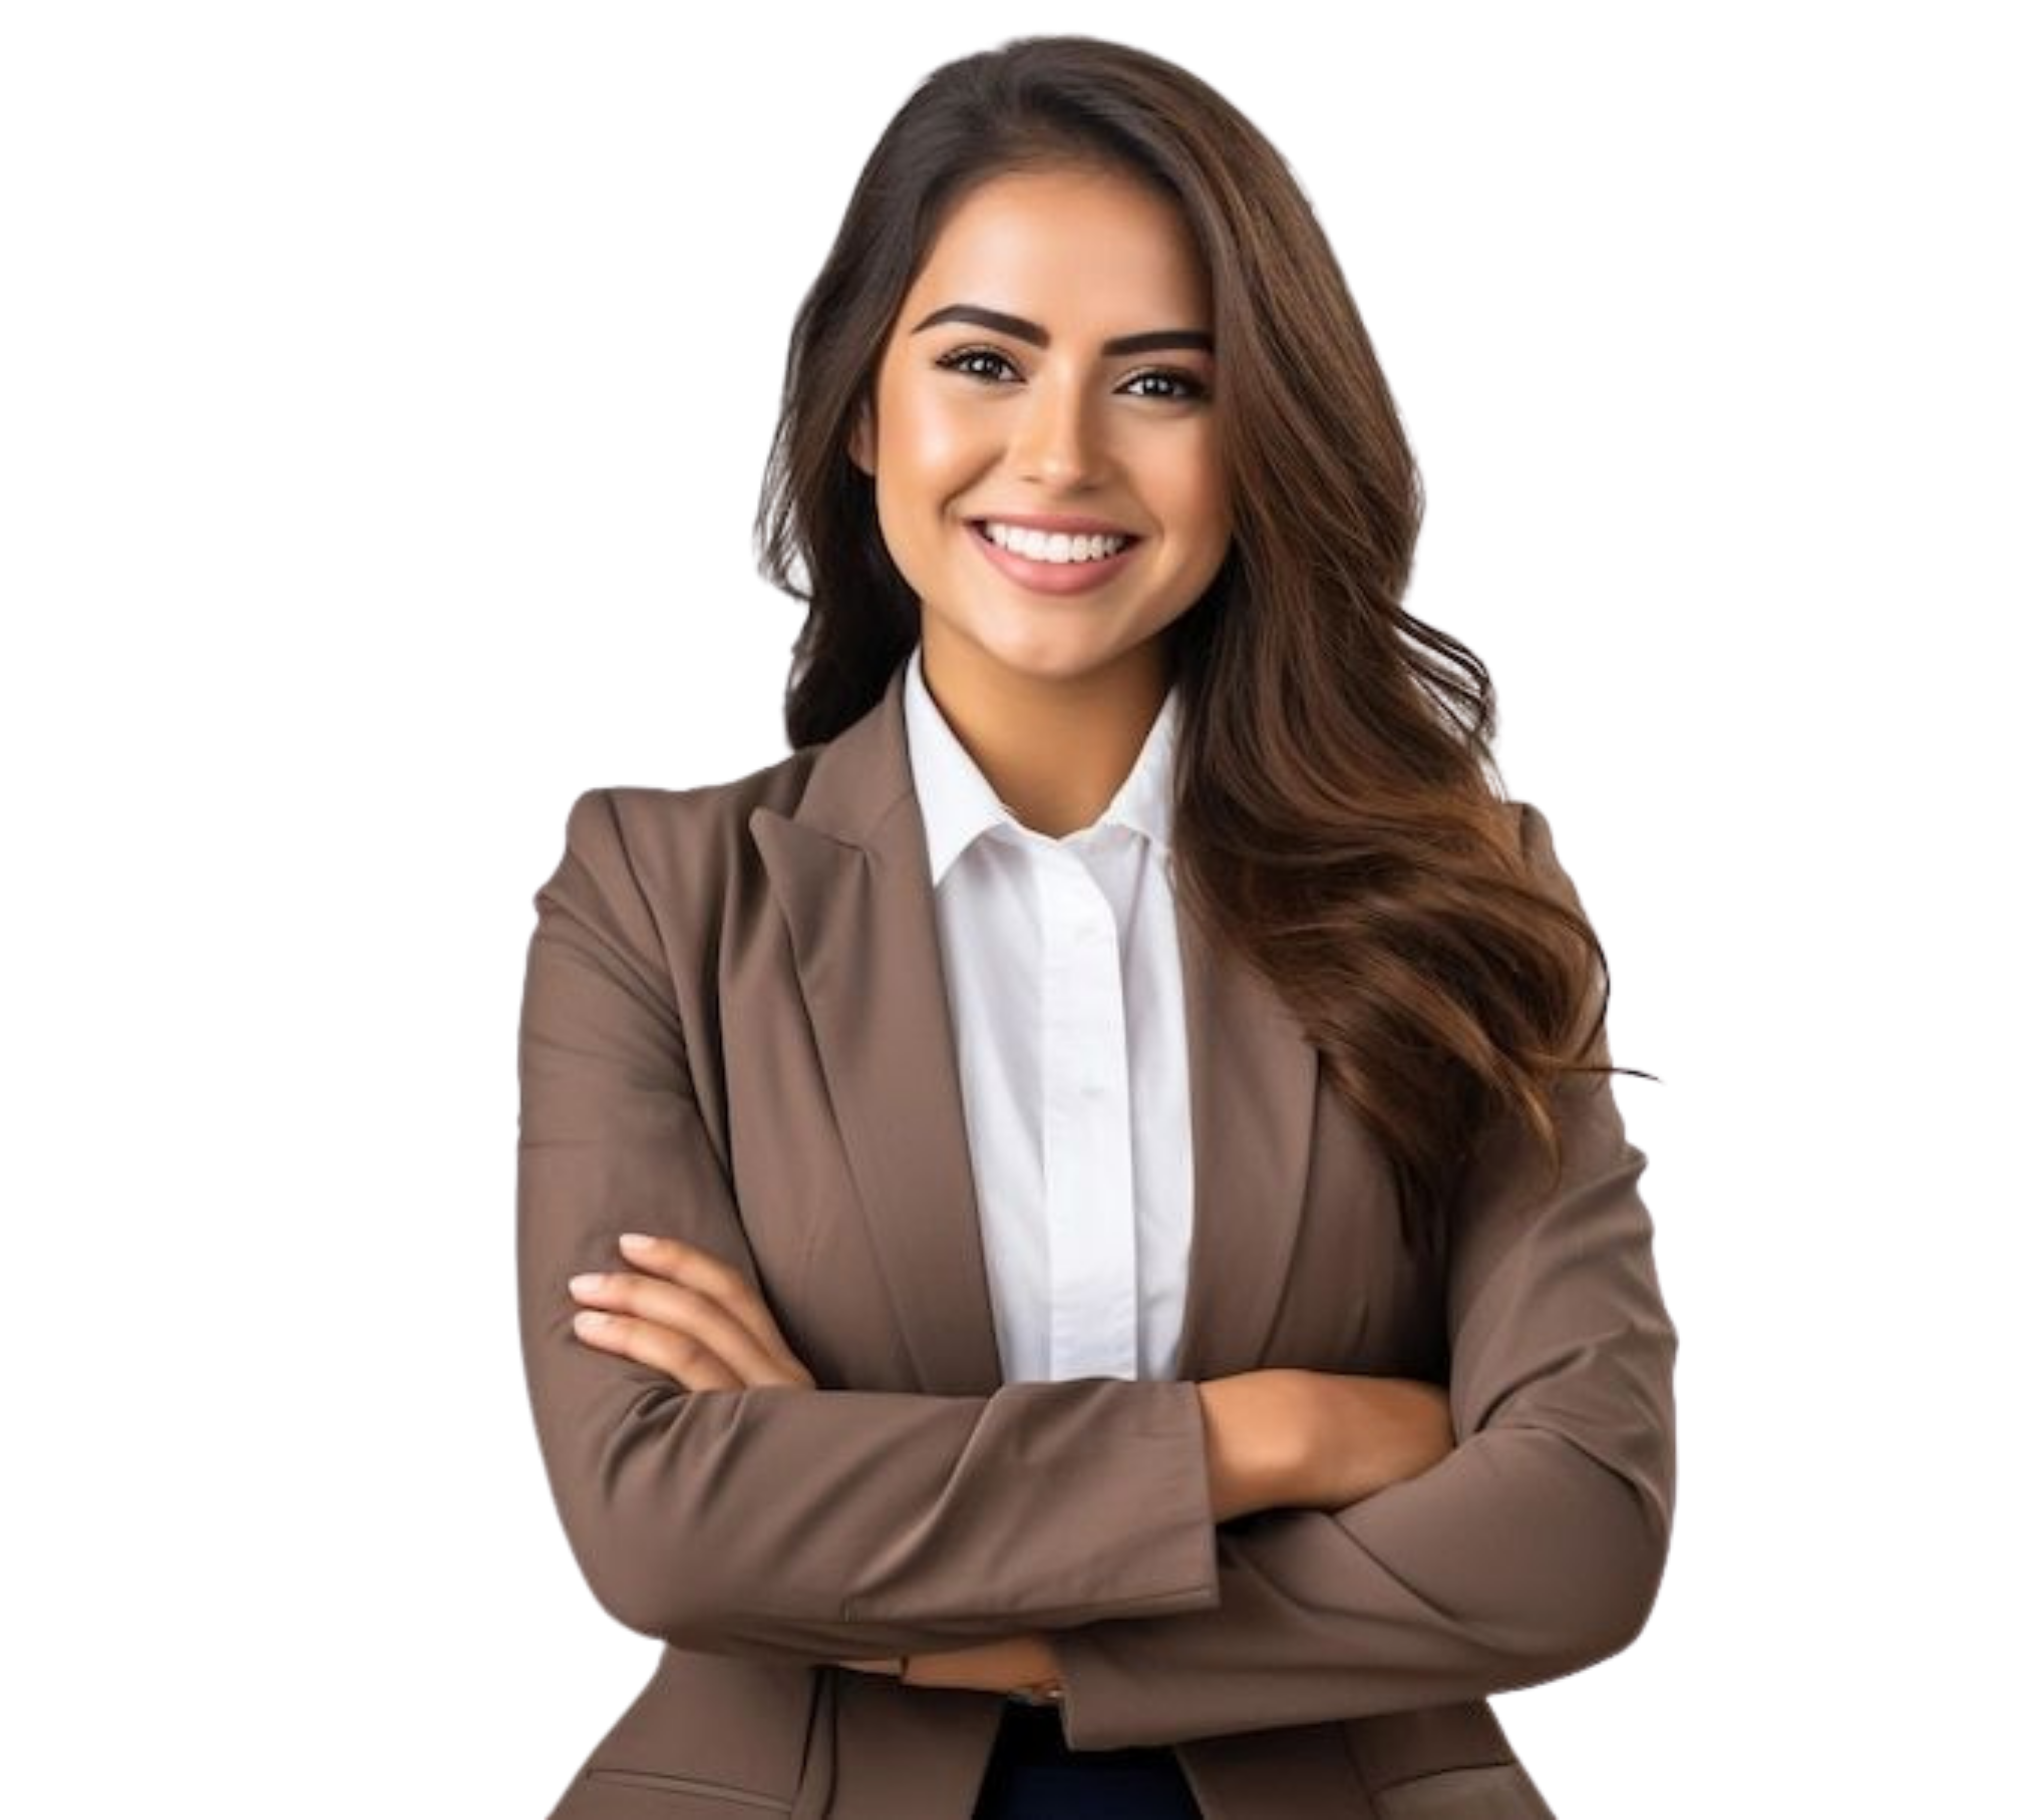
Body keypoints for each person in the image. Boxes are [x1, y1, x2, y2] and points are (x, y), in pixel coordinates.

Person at [516, 32, 1678, 1820]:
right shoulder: (658, 900)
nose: (1056, 457)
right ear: (860, 410)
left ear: (1258, 441)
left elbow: (1579, 1524)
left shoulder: (1464, 895)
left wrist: (954, 1611)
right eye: (982, 361)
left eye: (1161, 384)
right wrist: (1265, 1435)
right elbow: (662, 1517)